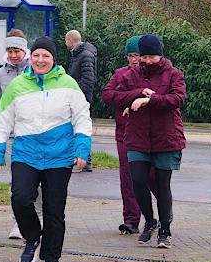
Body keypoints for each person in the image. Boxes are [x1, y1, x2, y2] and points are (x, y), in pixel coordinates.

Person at [0, 37, 92, 262]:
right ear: (30, 57)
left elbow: (82, 117)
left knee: (54, 210)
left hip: (59, 156)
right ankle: (32, 237)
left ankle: (51, 260)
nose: (40, 60)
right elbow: (3, 120)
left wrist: (82, 149)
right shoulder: (17, 85)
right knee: (21, 199)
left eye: (46, 56)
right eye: (36, 55)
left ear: (54, 59)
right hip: (26, 152)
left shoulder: (68, 84)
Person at [112, 34, 185, 249]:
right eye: (145, 57)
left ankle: (165, 230)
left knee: (162, 186)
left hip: (166, 138)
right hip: (137, 137)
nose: (148, 61)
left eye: (152, 57)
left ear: (160, 55)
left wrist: (149, 100)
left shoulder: (174, 74)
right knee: (137, 180)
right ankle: (149, 221)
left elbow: (176, 99)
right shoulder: (130, 75)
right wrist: (133, 96)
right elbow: (109, 95)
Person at [101, 36, 156, 235]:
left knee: (152, 177)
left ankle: (159, 216)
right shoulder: (121, 74)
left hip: (150, 135)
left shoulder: (156, 74)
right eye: (131, 56)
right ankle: (131, 220)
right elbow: (108, 95)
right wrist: (133, 96)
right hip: (124, 133)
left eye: (138, 55)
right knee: (128, 178)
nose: (134, 60)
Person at [0, 29, 32, 239]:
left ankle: (37, 219)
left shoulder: (34, 70)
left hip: (33, 135)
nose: (13, 55)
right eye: (10, 51)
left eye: (17, 51)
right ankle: (18, 223)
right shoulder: (2, 74)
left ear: (24, 50)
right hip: (12, 136)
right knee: (18, 183)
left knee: (36, 183)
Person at [65, 29, 97, 171]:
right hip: (79, 96)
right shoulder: (79, 54)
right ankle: (81, 159)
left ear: (71, 41)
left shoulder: (84, 55)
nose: (66, 44)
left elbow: (88, 79)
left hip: (81, 98)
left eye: (66, 41)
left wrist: (75, 93)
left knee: (80, 128)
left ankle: (86, 160)